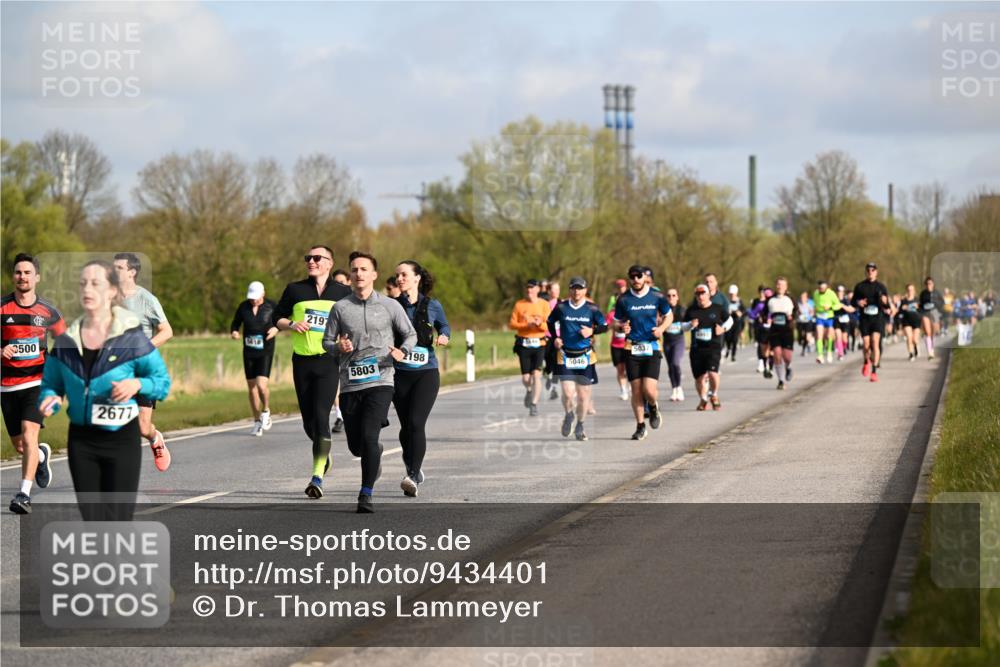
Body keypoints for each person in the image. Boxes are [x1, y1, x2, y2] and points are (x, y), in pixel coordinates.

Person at [38, 260, 171, 521]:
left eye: (96, 283)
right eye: (83, 283)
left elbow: (162, 382)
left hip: (121, 440)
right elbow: (51, 383)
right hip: (82, 440)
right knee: (92, 518)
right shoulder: (66, 342)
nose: (88, 289)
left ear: (111, 291)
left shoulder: (132, 339)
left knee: (117, 519)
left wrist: (138, 384)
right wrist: (50, 399)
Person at [323, 251, 416, 513]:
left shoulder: (390, 305)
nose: (358, 273)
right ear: (350, 276)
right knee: (357, 446)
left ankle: (365, 494)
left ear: (373, 275)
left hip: (381, 379)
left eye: (364, 269)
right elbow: (326, 342)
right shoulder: (340, 308)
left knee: (368, 433)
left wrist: (402, 352)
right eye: (354, 269)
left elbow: (410, 334)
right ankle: (374, 451)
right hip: (351, 383)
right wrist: (339, 347)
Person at [273, 245, 352, 499]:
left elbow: (352, 323)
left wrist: (345, 341)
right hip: (302, 363)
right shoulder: (295, 289)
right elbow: (276, 317)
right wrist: (292, 324)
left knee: (321, 417)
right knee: (309, 423)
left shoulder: (342, 292)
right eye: (308, 258)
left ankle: (317, 476)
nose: (311, 261)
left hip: (329, 362)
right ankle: (324, 454)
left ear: (329, 263)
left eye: (317, 258)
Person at [2, 253, 66, 514]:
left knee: (30, 434)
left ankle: (24, 495)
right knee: (20, 445)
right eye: (18, 272)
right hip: (7, 386)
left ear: (36, 277)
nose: (22, 277)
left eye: (27, 272)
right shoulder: (2, 308)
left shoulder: (48, 312)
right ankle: (40, 456)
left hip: (37, 383)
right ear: (13, 276)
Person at [392, 260, 450, 498]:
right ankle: (411, 463)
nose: (400, 279)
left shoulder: (432, 304)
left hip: (426, 372)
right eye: (397, 276)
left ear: (417, 278)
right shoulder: (391, 305)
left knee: (416, 422)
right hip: (399, 374)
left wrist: (444, 336)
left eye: (404, 275)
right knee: (406, 427)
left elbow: (444, 325)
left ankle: (413, 475)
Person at [113, 252, 173, 471]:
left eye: (119, 268)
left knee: (142, 426)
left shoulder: (147, 299)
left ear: (132, 272)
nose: (114, 272)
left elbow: (167, 331)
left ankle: (155, 438)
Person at [613, 265, 672, 440]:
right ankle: (640, 426)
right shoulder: (624, 299)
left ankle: (653, 407)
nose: (636, 279)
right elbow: (615, 322)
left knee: (649, 390)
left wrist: (661, 328)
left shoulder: (657, 296)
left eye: (639, 276)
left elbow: (669, 316)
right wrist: (622, 326)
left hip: (652, 346)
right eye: (633, 277)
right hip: (632, 346)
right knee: (636, 390)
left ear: (645, 277)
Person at [548, 277, 608, 441]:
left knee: (583, 397)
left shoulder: (592, 308)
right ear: (569, 290)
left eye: (580, 288)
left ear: (585, 290)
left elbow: (604, 326)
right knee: (568, 394)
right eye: (574, 288)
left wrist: (592, 331)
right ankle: (568, 415)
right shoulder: (561, 307)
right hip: (565, 354)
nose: (577, 291)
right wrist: (555, 337)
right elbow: (550, 322)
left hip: (585, 356)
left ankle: (580, 425)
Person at [230, 281, 278, 436]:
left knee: (261, 386)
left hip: (266, 351)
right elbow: (235, 324)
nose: (253, 300)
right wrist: (235, 332)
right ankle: (257, 421)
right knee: (251, 387)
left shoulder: (272, 305)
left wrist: (275, 329)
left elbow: (281, 321)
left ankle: (266, 410)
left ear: (263, 294)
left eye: (256, 297)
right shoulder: (243, 307)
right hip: (249, 352)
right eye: (251, 298)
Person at [683, 283, 732, 410]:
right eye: (698, 294)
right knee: (699, 378)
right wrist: (690, 325)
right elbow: (682, 326)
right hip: (696, 348)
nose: (700, 296)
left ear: (708, 294)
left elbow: (730, 320)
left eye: (703, 293)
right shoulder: (691, 310)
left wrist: (723, 329)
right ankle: (703, 399)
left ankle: (714, 394)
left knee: (712, 373)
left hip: (713, 346)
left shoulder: (718, 308)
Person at [509, 279, 551, 417]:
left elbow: (549, 325)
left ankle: (534, 404)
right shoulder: (519, 304)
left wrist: (539, 324)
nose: (529, 291)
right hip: (524, 343)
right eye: (527, 288)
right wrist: (526, 325)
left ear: (538, 289)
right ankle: (528, 390)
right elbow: (512, 324)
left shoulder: (544, 304)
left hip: (539, 344)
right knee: (526, 378)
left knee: (536, 376)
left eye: (532, 288)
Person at [851, 262, 891, 382]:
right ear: (866, 272)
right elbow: (853, 302)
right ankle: (866, 361)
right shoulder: (860, 287)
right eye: (868, 270)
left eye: (873, 270)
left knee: (875, 342)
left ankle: (874, 371)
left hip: (877, 318)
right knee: (866, 344)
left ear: (876, 272)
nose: (870, 272)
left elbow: (887, 306)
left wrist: (885, 301)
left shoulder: (881, 287)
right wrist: (858, 303)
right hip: (865, 319)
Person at [766, 278, 797, 390]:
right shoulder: (770, 300)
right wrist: (766, 319)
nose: (780, 287)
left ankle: (788, 367)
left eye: (782, 285)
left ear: (786, 287)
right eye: (778, 284)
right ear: (776, 286)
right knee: (777, 354)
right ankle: (781, 381)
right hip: (775, 331)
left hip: (787, 331)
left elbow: (796, 312)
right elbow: (765, 313)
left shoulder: (790, 299)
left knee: (787, 356)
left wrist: (792, 317)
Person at [812, 280, 845, 364]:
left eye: (823, 288)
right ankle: (820, 355)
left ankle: (829, 351)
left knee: (828, 336)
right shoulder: (815, 293)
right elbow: (815, 304)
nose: (821, 290)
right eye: (820, 288)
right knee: (819, 335)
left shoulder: (831, 293)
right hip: (820, 317)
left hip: (829, 317)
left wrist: (830, 307)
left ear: (826, 287)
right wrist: (815, 309)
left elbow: (838, 305)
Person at [663, 288, 686, 401]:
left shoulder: (682, 310)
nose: (671, 297)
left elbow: (689, 322)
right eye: (669, 295)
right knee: (670, 366)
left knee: (675, 363)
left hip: (678, 341)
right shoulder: (663, 310)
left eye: (673, 295)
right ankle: (674, 389)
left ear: (677, 297)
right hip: (667, 341)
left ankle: (679, 387)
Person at [606, 304, 630, 401]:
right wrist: (613, 324)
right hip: (616, 346)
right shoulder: (612, 314)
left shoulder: (629, 313)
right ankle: (623, 390)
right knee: (620, 370)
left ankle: (631, 384)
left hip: (628, 345)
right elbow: (606, 327)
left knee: (629, 369)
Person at [543, 282, 562, 400]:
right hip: (546, 337)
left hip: (558, 338)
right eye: (554, 289)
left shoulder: (562, 304)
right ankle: (548, 377)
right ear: (549, 291)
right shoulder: (544, 304)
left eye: (558, 289)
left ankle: (554, 388)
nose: (556, 292)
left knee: (557, 363)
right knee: (547, 364)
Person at [919, 277, 944, 359]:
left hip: (935, 313)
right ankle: (929, 352)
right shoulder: (923, 293)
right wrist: (920, 310)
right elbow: (920, 304)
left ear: (933, 284)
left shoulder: (937, 293)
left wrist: (937, 307)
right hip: (925, 313)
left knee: (934, 331)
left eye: (930, 283)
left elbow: (942, 303)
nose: (928, 285)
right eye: (927, 284)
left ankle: (932, 348)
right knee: (927, 332)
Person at [899, 284, 924, 361]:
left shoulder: (917, 300)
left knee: (915, 339)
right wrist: (902, 308)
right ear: (907, 291)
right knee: (909, 337)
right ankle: (911, 353)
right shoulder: (904, 300)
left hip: (916, 320)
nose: (910, 291)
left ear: (914, 291)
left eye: (911, 290)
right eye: (909, 290)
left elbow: (922, 310)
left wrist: (918, 307)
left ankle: (916, 347)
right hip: (907, 320)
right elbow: (900, 311)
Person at [724, 284, 744, 363]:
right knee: (728, 338)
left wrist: (740, 313)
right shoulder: (727, 301)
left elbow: (744, 311)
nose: (732, 295)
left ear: (736, 293)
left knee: (735, 339)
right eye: (730, 294)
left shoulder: (739, 301)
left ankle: (733, 355)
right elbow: (723, 310)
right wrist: (727, 312)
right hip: (728, 322)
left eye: (733, 294)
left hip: (737, 322)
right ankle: (728, 348)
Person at [796, 291, 815, 357]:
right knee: (801, 337)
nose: (802, 298)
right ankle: (804, 342)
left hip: (807, 321)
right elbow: (796, 312)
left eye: (804, 297)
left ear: (806, 298)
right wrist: (798, 313)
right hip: (800, 322)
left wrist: (809, 315)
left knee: (807, 337)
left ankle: (804, 349)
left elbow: (812, 312)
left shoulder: (809, 305)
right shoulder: (798, 304)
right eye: (801, 297)